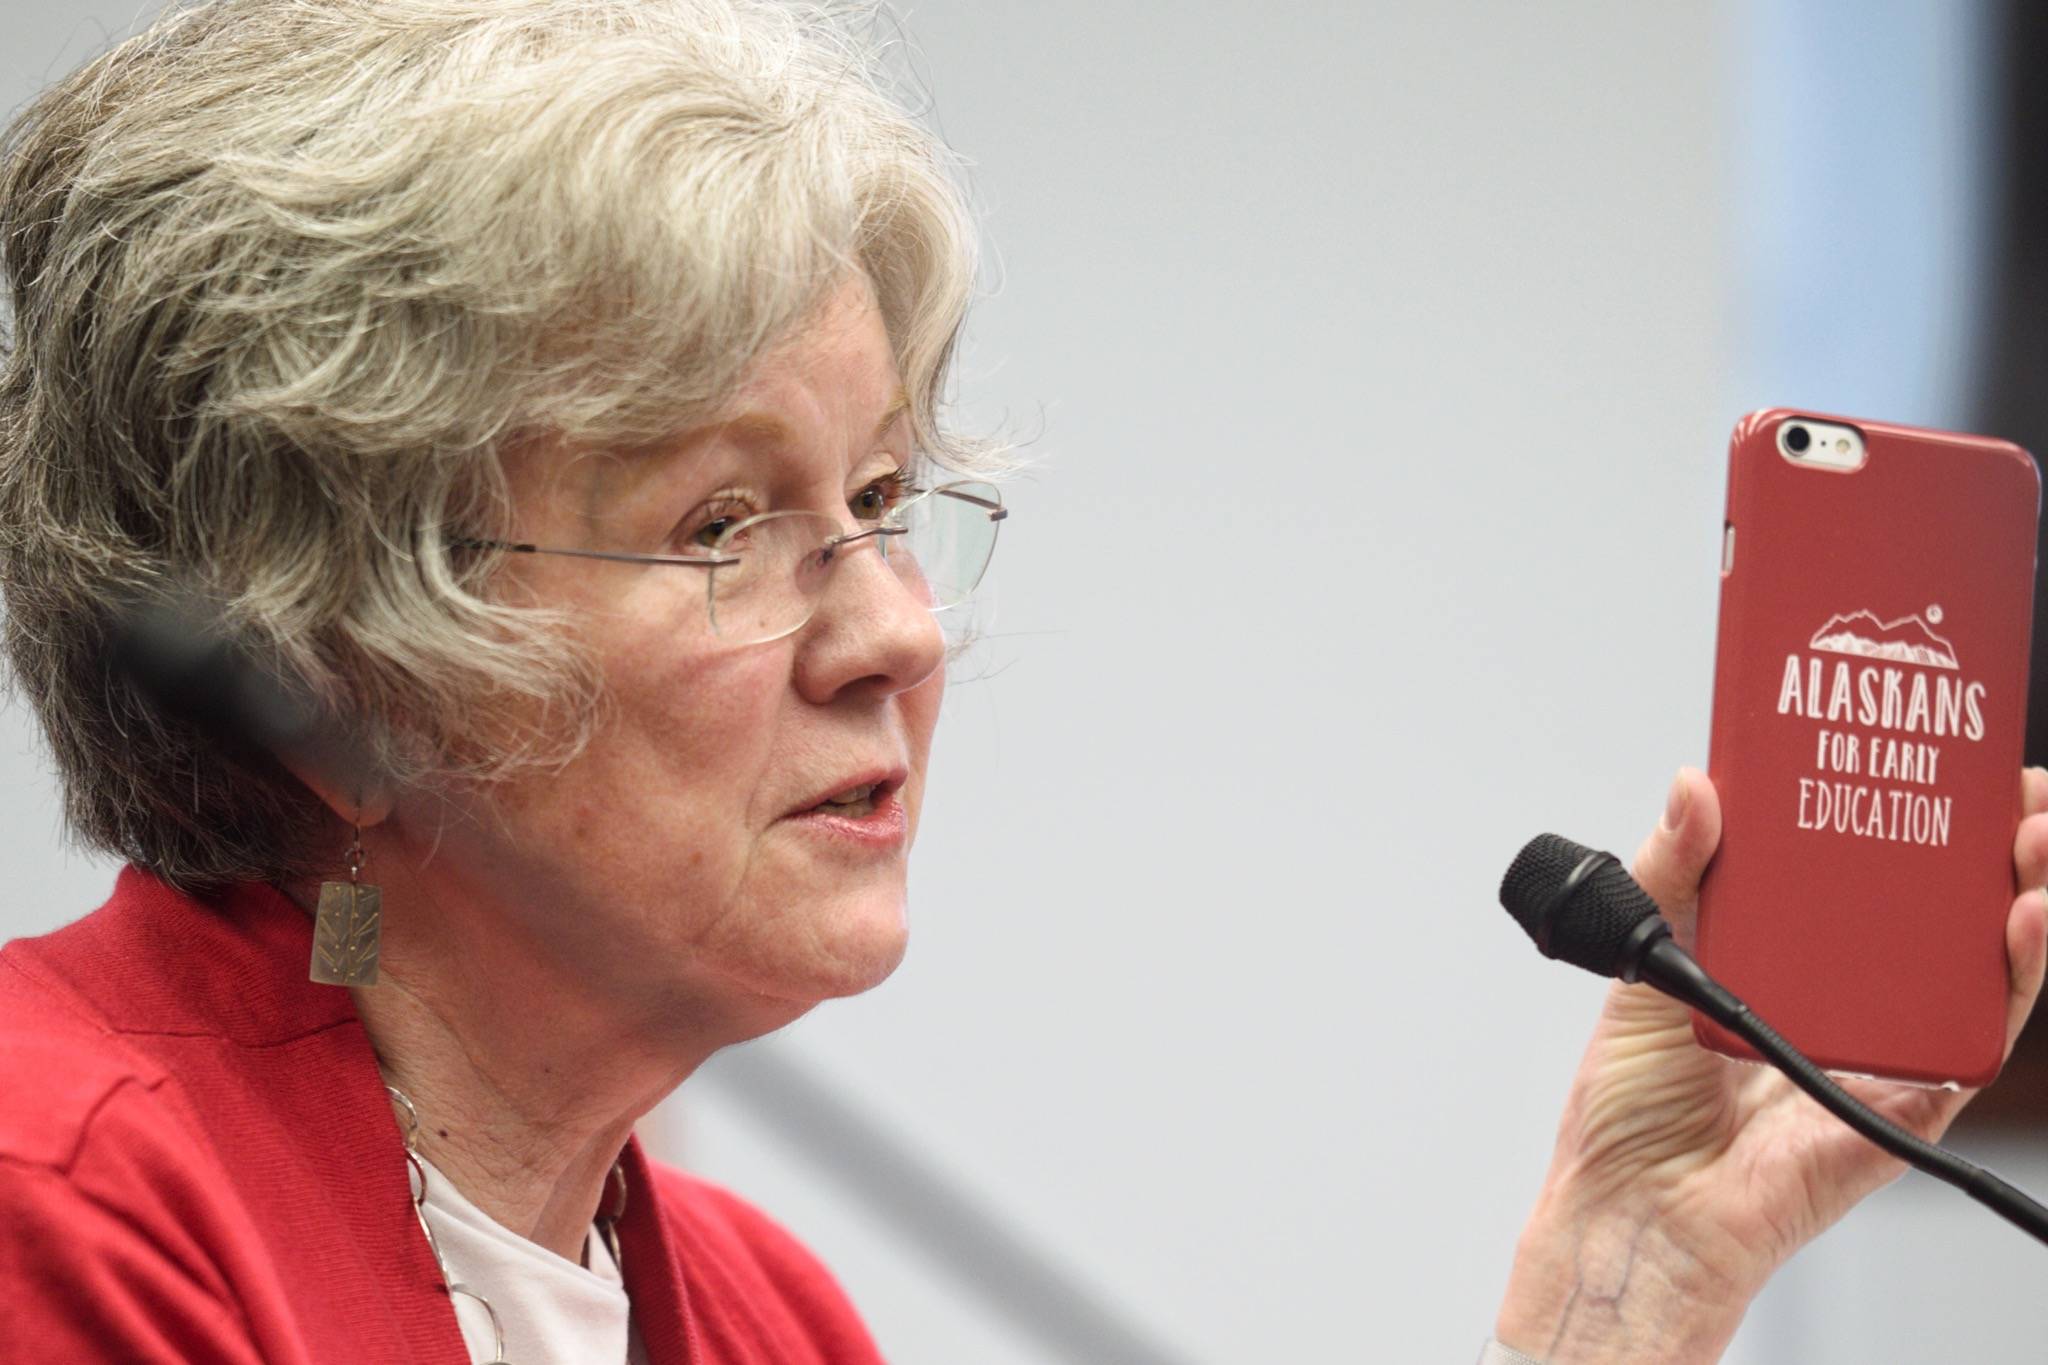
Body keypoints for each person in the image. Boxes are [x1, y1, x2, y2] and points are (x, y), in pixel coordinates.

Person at [0, 4, 2041, 1364]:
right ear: (324, 663)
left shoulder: (760, 1311)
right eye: (722, 523)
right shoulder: (66, 1200)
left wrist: (1622, 1287)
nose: (892, 626)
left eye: (882, 495)